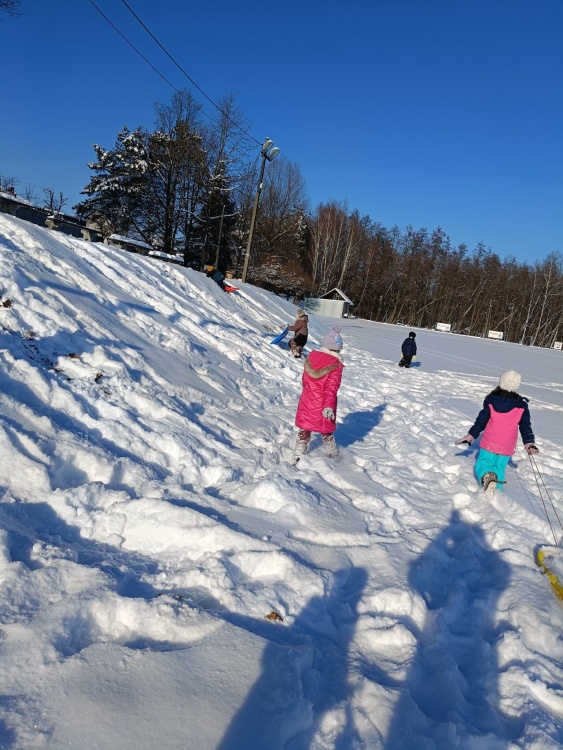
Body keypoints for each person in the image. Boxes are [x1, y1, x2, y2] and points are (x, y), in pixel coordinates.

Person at [454, 370, 539, 494]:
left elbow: (482, 421)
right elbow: (525, 425)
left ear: (501, 382)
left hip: (490, 441)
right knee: (499, 468)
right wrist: (529, 442)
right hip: (507, 445)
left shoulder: (491, 401)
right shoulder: (521, 406)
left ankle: (487, 477)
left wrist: (471, 435)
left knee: (484, 463)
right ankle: (497, 494)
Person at [293, 326, 344, 462]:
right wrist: (328, 406)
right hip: (324, 404)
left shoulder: (311, 359)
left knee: (305, 426)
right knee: (326, 429)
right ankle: (332, 453)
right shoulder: (336, 365)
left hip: (307, 400)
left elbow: (305, 381)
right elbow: (331, 389)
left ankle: (299, 452)